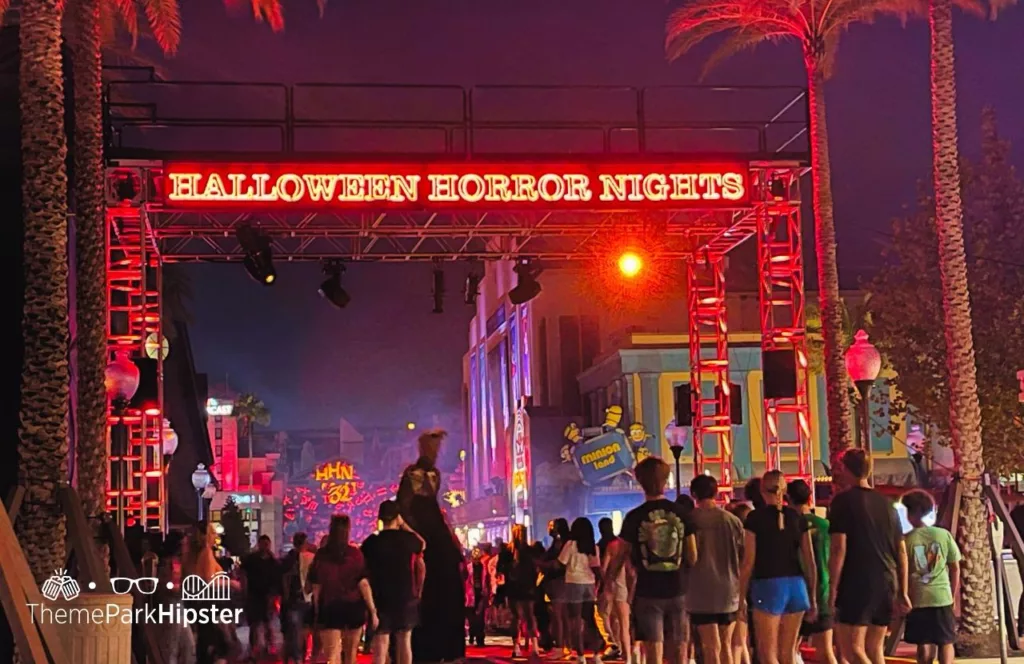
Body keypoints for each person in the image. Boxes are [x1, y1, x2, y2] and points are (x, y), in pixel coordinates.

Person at [607, 456, 697, 664]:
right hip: (679, 588)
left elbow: (620, 555)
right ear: (666, 480)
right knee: (679, 648)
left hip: (647, 590)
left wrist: (609, 583)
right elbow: (692, 556)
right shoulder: (682, 514)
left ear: (640, 482)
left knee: (653, 649)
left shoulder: (634, 517)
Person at [828, 449, 909, 664]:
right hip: (886, 580)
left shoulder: (842, 502)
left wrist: (832, 588)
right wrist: (903, 590)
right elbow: (900, 549)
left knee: (851, 648)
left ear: (845, 469)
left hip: (857, 581)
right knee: (874, 648)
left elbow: (839, 548)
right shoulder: (888, 505)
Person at [397, 429, 466, 662]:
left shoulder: (435, 474)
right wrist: (415, 535)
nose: (436, 453)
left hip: (435, 530)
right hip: (423, 531)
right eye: (433, 448)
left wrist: (452, 538)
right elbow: (404, 507)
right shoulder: (411, 474)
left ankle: (448, 646)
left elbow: (436, 508)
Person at [739, 470, 816, 664]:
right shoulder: (798, 518)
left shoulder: (755, 519)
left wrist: (740, 597)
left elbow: (748, 561)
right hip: (797, 586)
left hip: (768, 584)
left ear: (762, 491)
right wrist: (813, 597)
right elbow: (809, 561)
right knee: (788, 653)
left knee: (768, 654)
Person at [687, 475, 744, 664]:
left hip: (700, 591)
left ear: (693, 494)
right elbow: (744, 554)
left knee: (710, 646)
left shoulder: (690, 520)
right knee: (726, 644)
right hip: (729, 589)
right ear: (716, 492)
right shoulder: (732, 521)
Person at [362, 500, 426, 664]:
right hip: (405, 596)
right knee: (404, 641)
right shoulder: (408, 540)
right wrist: (404, 525)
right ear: (398, 517)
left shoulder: (371, 542)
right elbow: (422, 544)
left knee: (381, 644)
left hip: (380, 598)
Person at [901, 490, 960, 664]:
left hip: (918, 598)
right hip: (942, 596)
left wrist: (902, 595)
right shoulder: (943, 535)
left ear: (911, 513)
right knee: (946, 641)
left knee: (923, 642)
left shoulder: (906, 540)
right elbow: (955, 567)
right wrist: (952, 594)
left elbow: (902, 571)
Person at [310, 515, 378, 664]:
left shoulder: (321, 555)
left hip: (330, 609)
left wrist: (316, 611)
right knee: (351, 655)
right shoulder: (355, 555)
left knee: (332, 655)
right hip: (353, 608)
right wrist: (372, 611)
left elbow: (316, 587)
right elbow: (363, 584)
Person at [786, 480, 836, 664]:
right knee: (826, 651)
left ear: (788, 498)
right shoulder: (824, 525)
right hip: (824, 587)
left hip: (797, 592)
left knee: (790, 649)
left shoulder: (790, 525)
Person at [559, 517, 602, 664]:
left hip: (573, 582)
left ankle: (581, 655)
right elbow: (597, 568)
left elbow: (561, 563)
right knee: (590, 620)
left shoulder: (571, 545)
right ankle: (596, 655)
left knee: (575, 621)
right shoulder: (593, 547)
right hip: (589, 583)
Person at [499, 524, 541, 657]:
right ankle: (524, 645)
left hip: (521, 587)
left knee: (521, 617)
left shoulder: (517, 551)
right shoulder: (510, 552)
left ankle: (527, 645)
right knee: (523, 616)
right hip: (520, 587)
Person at [241, 535, 279, 660]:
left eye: (267, 544)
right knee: (254, 623)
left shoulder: (273, 561)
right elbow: (244, 574)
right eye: (263, 544)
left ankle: (269, 645)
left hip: (267, 595)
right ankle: (254, 647)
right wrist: (245, 590)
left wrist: (274, 596)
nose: (265, 547)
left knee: (268, 622)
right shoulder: (251, 559)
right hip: (254, 594)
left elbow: (276, 580)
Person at [598, 518, 630, 664]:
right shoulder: (628, 547)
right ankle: (628, 655)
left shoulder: (610, 546)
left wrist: (605, 581)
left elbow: (603, 568)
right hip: (627, 588)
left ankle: (615, 644)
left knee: (605, 616)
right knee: (624, 623)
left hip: (612, 587)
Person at [281, 532, 315, 664]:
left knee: (295, 632)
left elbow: (284, 579)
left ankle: (297, 658)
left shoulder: (288, 559)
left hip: (294, 600)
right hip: (304, 599)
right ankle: (300, 657)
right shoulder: (309, 558)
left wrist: (285, 596)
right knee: (302, 632)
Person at [543, 518, 571, 657]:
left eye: (552, 526)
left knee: (558, 616)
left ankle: (560, 647)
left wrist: (541, 564)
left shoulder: (560, 544)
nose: (549, 528)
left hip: (559, 582)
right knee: (564, 616)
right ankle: (568, 646)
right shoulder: (560, 542)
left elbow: (557, 564)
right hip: (561, 582)